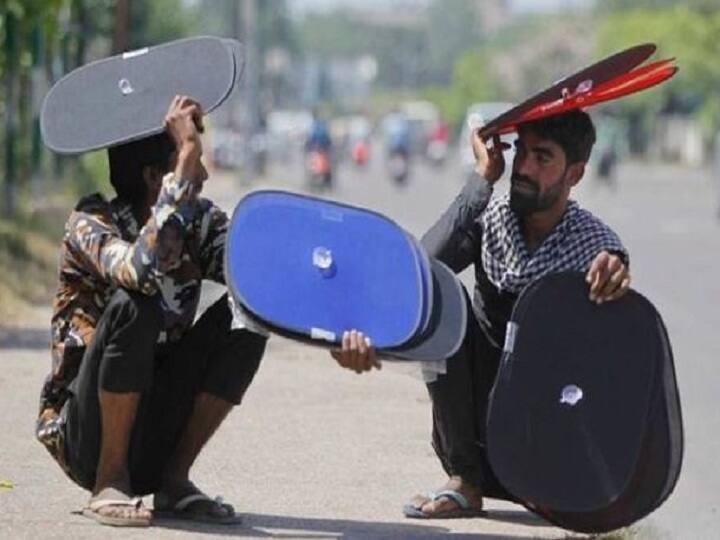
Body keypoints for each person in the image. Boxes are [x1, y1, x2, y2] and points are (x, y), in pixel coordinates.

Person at [331, 110, 632, 518]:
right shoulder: (491, 219)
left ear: (574, 175)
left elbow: (613, 342)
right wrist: (481, 180)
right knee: (442, 295)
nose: (523, 168)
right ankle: (464, 482)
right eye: (521, 152)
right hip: (476, 442)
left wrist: (612, 273)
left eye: (542, 158)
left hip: (545, 452)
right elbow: (420, 271)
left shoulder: (595, 247)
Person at [36, 95, 268, 526]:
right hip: (85, 435)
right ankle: (110, 480)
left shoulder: (198, 222)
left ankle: (173, 481)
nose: (202, 172)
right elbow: (140, 271)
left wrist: (336, 324)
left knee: (248, 314)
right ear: (154, 177)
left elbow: (256, 273)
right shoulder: (91, 222)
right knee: (135, 304)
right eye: (189, 159)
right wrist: (183, 169)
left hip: (155, 426)